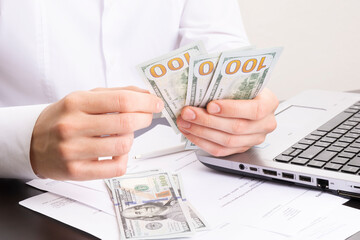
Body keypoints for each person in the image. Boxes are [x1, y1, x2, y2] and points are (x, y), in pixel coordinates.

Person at [0, 0, 278, 180]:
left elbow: (217, 41)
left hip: (177, 168)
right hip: (19, 190)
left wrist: (240, 106)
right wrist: (25, 140)